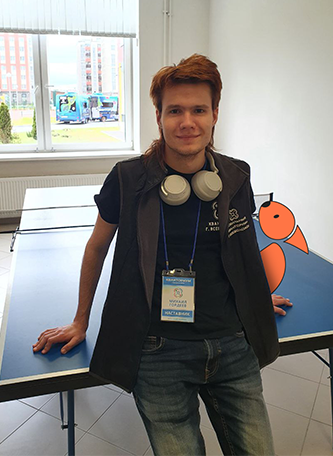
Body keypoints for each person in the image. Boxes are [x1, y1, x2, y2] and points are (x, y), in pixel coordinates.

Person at [33, 54, 292, 456]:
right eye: (175, 111)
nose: (187, 122)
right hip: (158, 353)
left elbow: (241, 243)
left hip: (232, 344)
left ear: (215, 114)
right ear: (159, 117)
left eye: (198, 110)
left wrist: (253, 296)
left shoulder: (236, 175)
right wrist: (80, 320)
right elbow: (97, 246)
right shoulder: (128, 179)